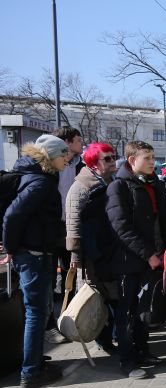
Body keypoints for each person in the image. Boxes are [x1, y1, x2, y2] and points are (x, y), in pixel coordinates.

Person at [2, 135, 68, 388]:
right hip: (32, 255)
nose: (67, 158)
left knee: (36, 311)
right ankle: (31, 372)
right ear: (51, 156)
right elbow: (13, 214)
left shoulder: (38, 177)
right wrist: (10, 247)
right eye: (63, 154)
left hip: (34, 252)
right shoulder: (40, 183)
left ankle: (35, 362)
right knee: (36, 312)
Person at [106, 140, 166, 379]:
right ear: (132, 161)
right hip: (129, 261)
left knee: (145, 310)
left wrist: (164, 250)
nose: (153, 162)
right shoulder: (119, 187)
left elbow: (164, 221)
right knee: (126, 314)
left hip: (154, 259)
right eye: (147, 158)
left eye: (153, 157)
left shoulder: (156, 185)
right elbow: (121, 227)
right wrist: (148, 254)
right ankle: (128, 360)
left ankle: (143, 351)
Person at [65, 142, 119, 355]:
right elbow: (73, 223)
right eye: (107, 158)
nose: (113, 161)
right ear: (94, 163)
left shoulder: (110, 181)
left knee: (114, 296)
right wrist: (76, 255)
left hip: (110, 251)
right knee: (96, 298)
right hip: (91, 257)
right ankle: (103, 340)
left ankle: (114, 336)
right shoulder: (80, 187)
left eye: (113, 156)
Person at [44, 126, 86, 345]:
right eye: (78, 140)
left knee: (72, 274)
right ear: (67, 143)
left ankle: (71, 320)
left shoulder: (79, 165)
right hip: (52, 230)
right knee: (51, 278)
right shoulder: (50, 167)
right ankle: (50, 325)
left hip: (71, 228)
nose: (82, 144)